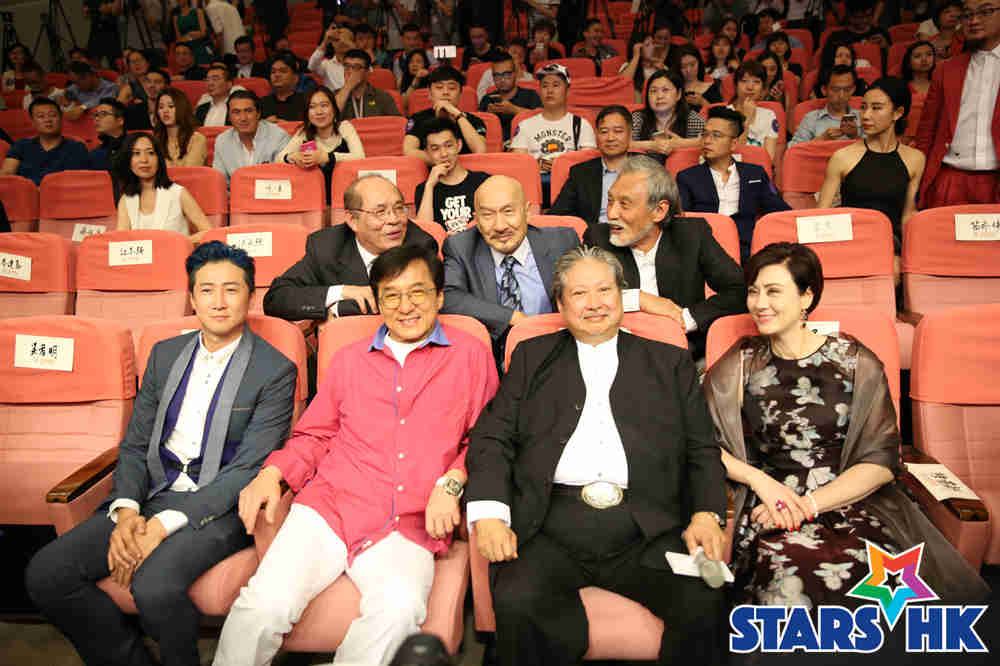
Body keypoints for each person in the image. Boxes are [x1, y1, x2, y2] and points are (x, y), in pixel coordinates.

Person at [215, 243, 497, 666]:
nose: (405, 306)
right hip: (331, 507)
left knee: (399, 610)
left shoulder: (470, 356)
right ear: (377, 302)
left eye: (418, 293)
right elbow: (315, 434)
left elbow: (487, 440)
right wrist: (271, 475)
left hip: (409, 519)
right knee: (263, 606)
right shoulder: (349, 361)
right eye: (391, 296)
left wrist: (452, 483)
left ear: (439, 297)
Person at [24, 240, 298, 666]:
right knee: (47, 574)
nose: (219, 302)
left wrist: (161, 527)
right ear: (192, 298)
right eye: (207, 290)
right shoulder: (164, 356)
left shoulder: (275, 370)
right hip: (153, 493)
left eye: (231, 289)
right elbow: (135, 443)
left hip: (220, 506)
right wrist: (128, 512)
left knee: (155, 586)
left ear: (250, 296)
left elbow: (247, 468)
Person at [466, 243, 729, 666]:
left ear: (621, 295)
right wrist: (490, 514)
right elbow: (492, 438)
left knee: (707, 596)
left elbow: (701, 447)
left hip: (647, 526)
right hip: (548, 524)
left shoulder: (670, 363)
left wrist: (706, 514)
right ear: (560, 304)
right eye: (579, 293)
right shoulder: (532, 357)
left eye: (604, 290)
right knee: (518, 598)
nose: (594, 304)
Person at [703, 242, 991, 616]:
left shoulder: (854, 361)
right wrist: (760, 482)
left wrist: (809, 505)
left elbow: (881, 461)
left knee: (879, 584)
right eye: (754, 291)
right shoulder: (743, 361)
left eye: (773, 291)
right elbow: (700, 441)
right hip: (773, 507)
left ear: (807, 297)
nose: (759, 303)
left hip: (854, 501)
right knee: (788, 582)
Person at [583, 155, 746, 357]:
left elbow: (739, 290)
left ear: (659, 211)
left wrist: (687, 319)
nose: (611, 214)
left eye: (624, 204)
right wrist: (639, 299)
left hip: (681, 350)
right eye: (610, 201)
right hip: (615, 351)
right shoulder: (598, 238)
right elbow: (572, 295)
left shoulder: (692, 235)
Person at [263, 174, 439, 321]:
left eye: (399, 208)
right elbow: (276, 299)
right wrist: (341, 292)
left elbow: (403, 304)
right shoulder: (327, 246)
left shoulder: (420, 245)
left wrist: (336, 309)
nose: (394, 220)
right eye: (380, 212)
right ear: (353, 220)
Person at [441, 175, 579, 361]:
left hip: (559, 354)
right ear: (477, 220)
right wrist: (512, 318)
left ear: (527, 212)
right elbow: (448, 297)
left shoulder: (562, 241)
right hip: (495, 360)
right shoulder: (461, 247)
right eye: (487, 215)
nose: (500, 226)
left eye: (508, 212)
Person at [820, 77, 925, 263]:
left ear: (898, 113)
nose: (866, 115)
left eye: (876, 108)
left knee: (893, 266)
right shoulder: (842, 157)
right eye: (863, 107)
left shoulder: (915, 159)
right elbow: (822, 214)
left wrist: (910, 258)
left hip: (891, 244)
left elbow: (908, 215)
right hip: (850, 241)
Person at [678, 106, 791, 263]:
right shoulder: (687, 177)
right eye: (705, 134)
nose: (707, 140)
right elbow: (681, 221)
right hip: (704, 251)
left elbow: (781, 212)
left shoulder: (755, 174)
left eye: (716, 135)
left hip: (746, 252)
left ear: (733, 143)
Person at [915, 0, 1000, 208]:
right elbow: (927, 132)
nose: (974, 20)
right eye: (968, 14)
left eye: (986, 11)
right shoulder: (946, 70)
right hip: (950, 178)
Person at [510, 64, 597, 205]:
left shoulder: (581, 124)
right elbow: (517, 164)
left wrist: (561, 165)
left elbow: (589, 165)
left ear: (567, 90)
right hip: (535, 187)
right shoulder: (525, 125)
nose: (549, 91)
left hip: (571, 188)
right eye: (545, 86)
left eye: (556, 85)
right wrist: (538, 164)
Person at [115, 132, 213, 238]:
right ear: (128, 161)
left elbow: (209, 232)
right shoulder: (126, 200)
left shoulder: (178, 193)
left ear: (159, 159)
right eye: (136, 153)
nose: (144, 160)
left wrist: (184, 242)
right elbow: (121, 241)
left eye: (150, 153)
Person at [277, 86, 365, 202]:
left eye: (324, 105)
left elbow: (360, 157)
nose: (319, 112)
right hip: (313, 198)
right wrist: (293, 157)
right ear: (307, 113)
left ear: (334, 109)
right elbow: (279, 159)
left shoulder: (344, 127)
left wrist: (328, 157)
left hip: (347, 197)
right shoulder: (304, 133)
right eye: (312, 107)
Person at [550, 105, 634, 225]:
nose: (610, 138)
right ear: (596, 136)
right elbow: (557, 215)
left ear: (630, 135)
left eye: (618, 131)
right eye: (604, 132)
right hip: (593, 233)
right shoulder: (580, 173)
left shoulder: (647, 169)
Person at [414, 118, 491, 233]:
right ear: (427, 153)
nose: (444, 154)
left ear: (459, 145)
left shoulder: (483, 181)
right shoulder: (424, 189)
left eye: (448, 145)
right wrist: (429, 186)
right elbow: (424, 233)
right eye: (435, 149)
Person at [404, 66, 487, 166]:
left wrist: (458, 115)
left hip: (467, 172)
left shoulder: (474, 121)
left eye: (452, 88)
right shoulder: (418, 119)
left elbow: (480, 151)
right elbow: (409, 151)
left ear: (460, 94)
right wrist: (446, 161)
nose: (445, 92)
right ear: (429, 93)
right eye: (439, 87)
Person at [0, 99, 90, 185]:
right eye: (41, 116)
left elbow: (78, 181)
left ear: (61, 119)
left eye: (53, 115)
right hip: (25, 193)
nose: (48, 120)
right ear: (32, 122)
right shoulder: (21, 145)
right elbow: (7, 174)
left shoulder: (76, 147)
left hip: (62, 193)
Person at [212, 90, 291, 183]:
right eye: (236, 112)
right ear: (229, 117)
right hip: (236, 192)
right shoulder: (222, 140)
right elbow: (220, 182)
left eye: (248, 111)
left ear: (258, 114)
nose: (243, 118)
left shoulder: (279, 137)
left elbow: (285, 178)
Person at [631, 69, 706, 164]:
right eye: (653, 91)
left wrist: (682, 144)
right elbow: (621, 144)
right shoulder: (638, 118)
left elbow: (711, 142)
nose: (659, 96)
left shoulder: (693, 119)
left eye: (665, 90)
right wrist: (651, 145)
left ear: (678, 94)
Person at [790, 65, 864, 144]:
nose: (841, 96)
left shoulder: (863, 117)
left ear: (853, 89)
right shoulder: (811, 119)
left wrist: (855, 137)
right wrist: (821, 139)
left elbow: (873, 148)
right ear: (824, 90)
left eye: (847, 90)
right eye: (835, 90)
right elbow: (793, 149)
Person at [477, 52, 542, 142]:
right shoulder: (487, 99)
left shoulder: (531, 95)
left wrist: (513, 109)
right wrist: (488, 117)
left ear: (515, 73)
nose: (502, 79)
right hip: (495, 146)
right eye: (497, 75)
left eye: (506, 74)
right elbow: (478, 130)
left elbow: (542, 121)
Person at [728, 61, 779, 162]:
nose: (750, 87)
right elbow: (732, 155)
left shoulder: (769, 115)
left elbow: (769, 159)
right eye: (744, 81)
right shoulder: (724, 114)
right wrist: (746, 120)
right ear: (735, 85)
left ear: (763, 88)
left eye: (756, 82)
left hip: (758, 169)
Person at [334, 48, 403, 120]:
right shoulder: (335, 95)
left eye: (356, 67)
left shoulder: (382, 97)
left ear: (367, 72)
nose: (350, 71)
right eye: (347, 66)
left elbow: (398, 123)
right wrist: (348, 87)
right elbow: (331, 117)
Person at [155, 87, 209, 167]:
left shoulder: (197, 139)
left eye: (171, 106)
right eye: (161, 107)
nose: (165, 111)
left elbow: (190, 171)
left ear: (182, 108)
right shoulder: (155, 141)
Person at [619, 36, 669, 103]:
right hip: (636, 106)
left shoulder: (662, 67)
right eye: (647, 45)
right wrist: (636, 56)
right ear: (640, 49)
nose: (653, 47)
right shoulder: (628, 66)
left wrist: (661, 69)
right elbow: (622, 84)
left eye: (653, 43)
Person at [261, 51, 305, 122]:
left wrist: (285, 125)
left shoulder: (305, 101)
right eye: (273, 72)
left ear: (295, 77)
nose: (277, 75)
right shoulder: (263, 103)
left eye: (283, 71)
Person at [308, 23, 355, 92]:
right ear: (332, 43)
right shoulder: (326, 65)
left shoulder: (359, 64)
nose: (342, 42)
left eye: (346, 39)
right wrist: (325, 42)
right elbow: (311, 66)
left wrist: (349, 45)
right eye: (337, 39)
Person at [677, 45, 723, 112]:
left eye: (692, 65)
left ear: (699, 63)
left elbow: (721, 115)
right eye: (683, 66)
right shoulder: (674, 90)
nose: (688, 70)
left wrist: (703, 102)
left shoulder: (712, 88)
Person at [88, 98, 128, 173]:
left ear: (120, 121)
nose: (97, 118)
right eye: (96, 115)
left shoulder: (133, 148)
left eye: (103, 114)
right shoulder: (95, 154)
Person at [174, 0, 215, 65]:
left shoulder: (198, 12)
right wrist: (191, 35)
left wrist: (190, 35)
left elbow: (204, 33)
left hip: (201, 48)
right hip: (187, 51)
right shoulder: (176, 17)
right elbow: (179, 39)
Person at [84, 0, 122, 69]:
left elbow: (115, 11)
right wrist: (98, 9)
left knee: (114, 62)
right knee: (92, 60)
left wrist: (96, 9)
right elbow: (86, 13)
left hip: (111, 30)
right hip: (96, 30)